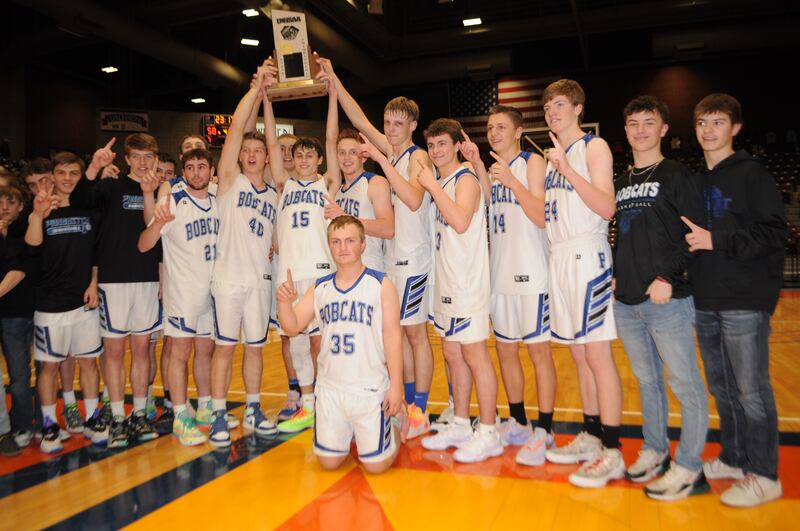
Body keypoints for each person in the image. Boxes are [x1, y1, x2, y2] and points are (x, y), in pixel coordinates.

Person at [318, 57, 435, 439]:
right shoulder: (393, 151)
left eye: (399, 124)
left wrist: (384, 160)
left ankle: (420, 409)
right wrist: (335, 79)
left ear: (413, 126)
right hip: (392, 259)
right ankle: (405, 405)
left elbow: (415, 202)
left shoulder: (416, 155)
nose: (390, 129)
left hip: (414, 255)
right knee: (396, 335)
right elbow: (360, 121)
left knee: (415, 335)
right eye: (388, 123)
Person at [683, 93, 787, 507]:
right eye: (702, 123)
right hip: (707, 299)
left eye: (717, 122)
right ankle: (733, 456)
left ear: (735, 128)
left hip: (744, 300)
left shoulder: (752, 174)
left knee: (751, 390)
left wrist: (716, 240)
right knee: (722, 388)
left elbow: (776, 234)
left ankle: (765, 474)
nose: (708, 130)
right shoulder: (697, 181)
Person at [613, 95, 709, 500]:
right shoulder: (620, 181)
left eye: (648, 122)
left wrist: (668, 277)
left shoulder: (676, 175)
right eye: (633, 123)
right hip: (627, 300)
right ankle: (655, 450)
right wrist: (618, 277)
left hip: (667, 298)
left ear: (664, 129)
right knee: (647, 381)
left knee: (685, 384)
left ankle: (690, 467)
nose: (640, 130)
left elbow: (697, 233)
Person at [459, 106, 557, 466]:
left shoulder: (531, 162)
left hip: (531, 274)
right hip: (499, 276)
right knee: (506, 352)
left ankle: (544, 429)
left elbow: (541, 215)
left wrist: (512, 182)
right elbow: (486, 201)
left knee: (539, 355)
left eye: (501, 127)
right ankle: (517, 421)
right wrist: (476, 164)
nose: (494, 132)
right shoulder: (494, 170)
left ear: (518, 131)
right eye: (489, 127)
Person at [539, 79, 623, 488]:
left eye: (559, 104)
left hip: (587, 256)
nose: (552, 111)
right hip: (560, 259)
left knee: (597, 355)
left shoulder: (593, 147)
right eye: (548, 106)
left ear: (577, 107)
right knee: (577, 355)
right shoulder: (557, 155)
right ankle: (591, 434)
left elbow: (607, 206)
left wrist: (567, 170)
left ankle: (612, 449)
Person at [276, 215, 406, 473]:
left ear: (362, 244)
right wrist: (283, 302)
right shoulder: (321, 287)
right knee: (329, 463)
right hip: (331, 389)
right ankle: (354, 431)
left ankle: (395, 426)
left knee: (376, 467)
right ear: (329, 246)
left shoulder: (381, 284)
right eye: (336, 242)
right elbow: (292, 326)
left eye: (349, 241)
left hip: (369, 389)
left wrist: (396, 387)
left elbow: (393, 337)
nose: (343, 247)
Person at [415, 118, 499, 463]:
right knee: (452, 354)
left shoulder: (464, 180)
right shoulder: (445, 179)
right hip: (447, 281)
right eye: (431, 145)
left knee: (475, 355)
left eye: (442, 145)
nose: (436, 151)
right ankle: (462, 422)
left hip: (467, 283)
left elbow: (461, 222)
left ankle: (490, 431)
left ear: (455, 146)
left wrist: (432, 188)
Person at [71, 134, 162, 448]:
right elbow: (79, 201)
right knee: (113, 353)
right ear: (126, 159)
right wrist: (94, 167)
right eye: (136, 156)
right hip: (113, 281)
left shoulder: (161, 191)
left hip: (148, 280)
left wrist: (164, 277)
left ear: (156, 158)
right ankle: (118, 418)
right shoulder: (111, 186)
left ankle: (138, 414)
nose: (142, 162)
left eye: (148, 156)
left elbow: (165, 241)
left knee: (140, 350)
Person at [262, 62, 337, 434]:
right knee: (295, 344)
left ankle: (327, 401)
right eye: (300, 156)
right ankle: (307, 404)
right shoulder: (283, 186)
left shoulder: (328, 184)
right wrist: (266, 98)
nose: (304, 159)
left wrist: (333, 96)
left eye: (311, 155)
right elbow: (273, 143)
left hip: (321, 273)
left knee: (320, 344)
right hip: (289, 273)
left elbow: (333, 136)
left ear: (320, 159)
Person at [208, 63, 279, 447]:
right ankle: (220, 412)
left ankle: (253, 407)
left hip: (259, 281)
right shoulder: (229, 181)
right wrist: (256, 87)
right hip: (229, 279)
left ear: (266, 158)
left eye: (257, 151)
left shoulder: (272, 194)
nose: (251, 154)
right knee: (224, 349)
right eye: (246, 151)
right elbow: (236, 128)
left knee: (254, 349)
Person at [24, 152, 107, 453]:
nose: (68, 179)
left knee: (89, 362)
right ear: (53, 177)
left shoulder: (88, 208)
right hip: (49, 304)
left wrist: (93, 283)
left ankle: (94, 417)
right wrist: (37, 215)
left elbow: (96, 251)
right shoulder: (41, 208)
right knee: (49, 367)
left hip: (83, 302)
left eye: (74, 173)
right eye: (62, 173)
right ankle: (48, 424)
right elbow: (31, 250)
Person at [138, 148, 218, 446]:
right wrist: (157, 223)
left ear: (211, 171)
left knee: (205, 353)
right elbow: (144, 245)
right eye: (191, 167)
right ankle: (182, 416)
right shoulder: (173, 200)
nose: (197, 173)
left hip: (211, 293)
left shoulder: (218, 201)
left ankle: (206, 407)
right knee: (180, 354)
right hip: (182, 293)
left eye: (202, 167)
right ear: (183, 172)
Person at [321, 79, 394, 273]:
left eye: (353, 152)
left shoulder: (375, 183)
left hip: (370, 271)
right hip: (341, 273)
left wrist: (345, 216)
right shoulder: (336, 189)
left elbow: (388, 229)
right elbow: (330, 138)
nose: (346, 158)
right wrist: (332, 96)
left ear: (363, 155)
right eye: (342, 152)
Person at [0, 185, 37, 448]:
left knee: (26, 374)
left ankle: (26, 424)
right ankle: (21, 423)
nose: (4, 207)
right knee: (20, 375)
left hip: (28, 310)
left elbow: (19, 271)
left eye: (10, 202)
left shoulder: (27, 230)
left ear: (21, 206)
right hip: (10, 315)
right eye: (0, 202)